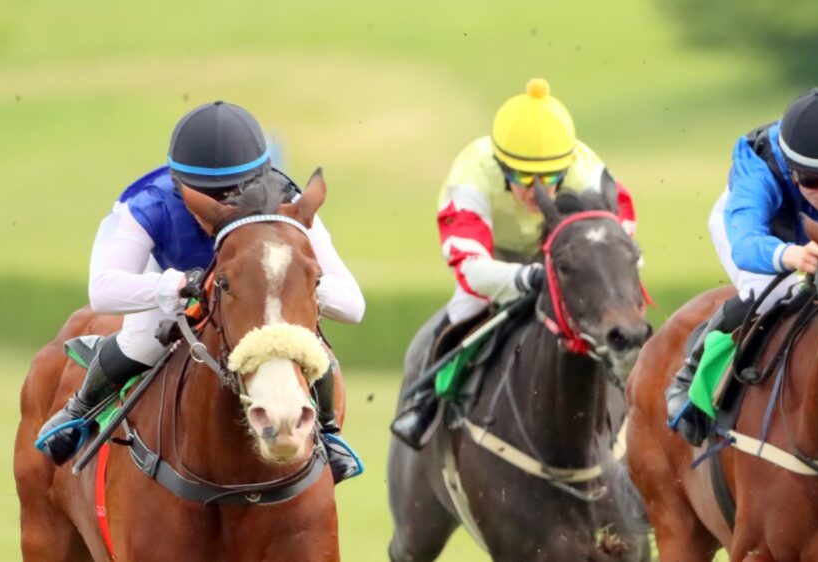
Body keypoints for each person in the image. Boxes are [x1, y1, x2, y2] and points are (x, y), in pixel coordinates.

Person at [35, 101, 367, 483]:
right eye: (208, 195)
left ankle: (328, 432)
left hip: (250, 287)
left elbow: (352, 305)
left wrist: (288, 285)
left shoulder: (289, 206)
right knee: (143, 342)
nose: (222, 205)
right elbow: (103, 291)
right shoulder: (149, 205)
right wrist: (180, 285)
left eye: (236, 192)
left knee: (307, 345)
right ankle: (80, 409)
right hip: (166, 270)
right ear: (181, 187)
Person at [390, 78, 638, 449]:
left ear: (566, 167)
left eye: (551, 178)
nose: (537, 189)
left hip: (567, 260)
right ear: (500, 164)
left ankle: (641, 395)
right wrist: (528, 277)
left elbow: (620, 241)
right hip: (495, 260)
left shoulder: (587, 171)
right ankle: (426, 402)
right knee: (463, 311)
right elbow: (470, 267)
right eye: (522, 177)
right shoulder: (471, 176)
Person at [665, 87, 818, 445]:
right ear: (791, 167)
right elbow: (745, 244)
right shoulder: (758, 169)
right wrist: (790, 255)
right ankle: (692, 374)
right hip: (757, 229)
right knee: (772, 293)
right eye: (812, 180)